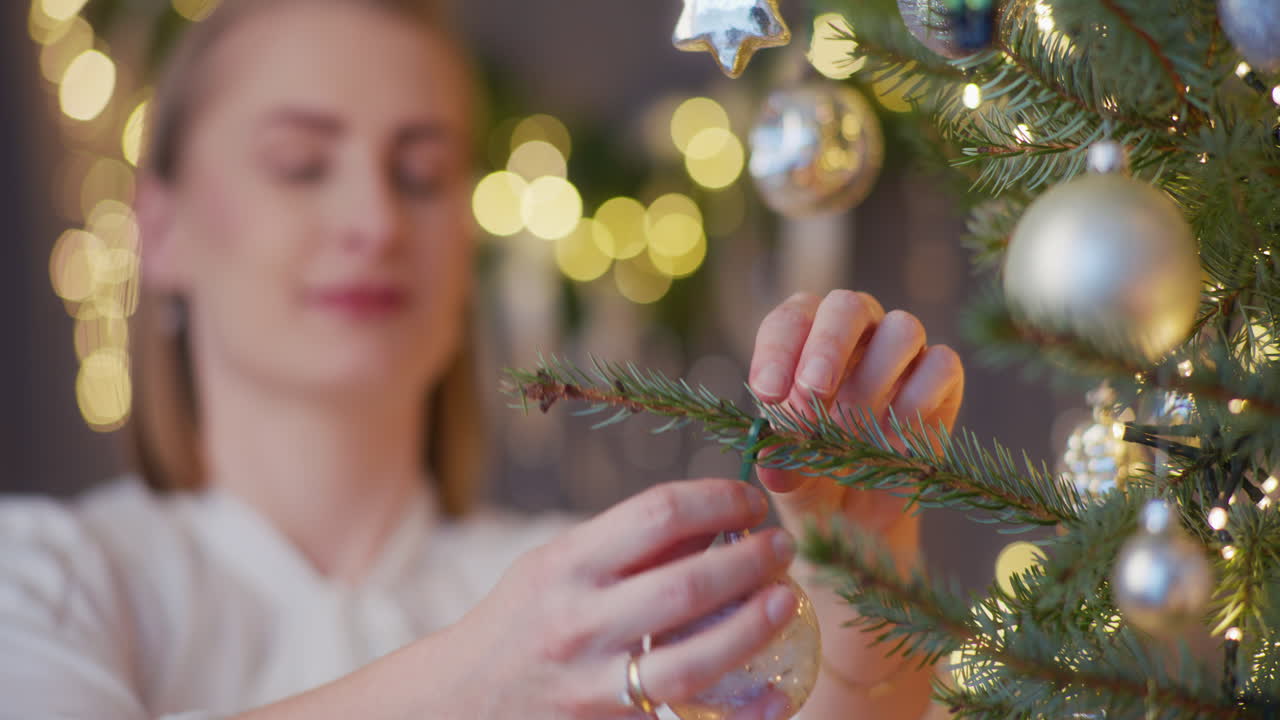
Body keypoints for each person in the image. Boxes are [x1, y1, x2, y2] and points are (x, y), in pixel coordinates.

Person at [0, 1, 965, 718]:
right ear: (161, 227)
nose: (375, 220)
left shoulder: (602, 600)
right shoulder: (45, 579)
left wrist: (859, 589)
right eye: (301, 163)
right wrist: (473, 685)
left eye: (421, 175)